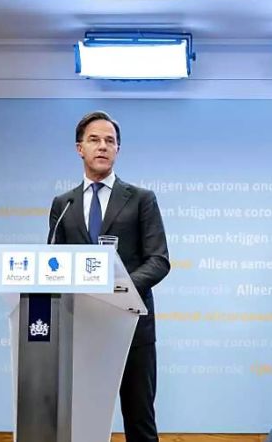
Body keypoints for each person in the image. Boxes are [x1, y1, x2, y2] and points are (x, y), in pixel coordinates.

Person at [48, 111, 170, 442]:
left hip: (132, 326)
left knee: (139, 418)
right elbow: (53, 264)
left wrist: (118, 289)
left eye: (110, 141)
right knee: (81, 420)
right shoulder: (64, 204)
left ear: (117, 150)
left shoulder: (142, 199)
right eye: (94, 140)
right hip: (82, 326)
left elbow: (159, 260)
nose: (103, 146)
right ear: (79, 149)